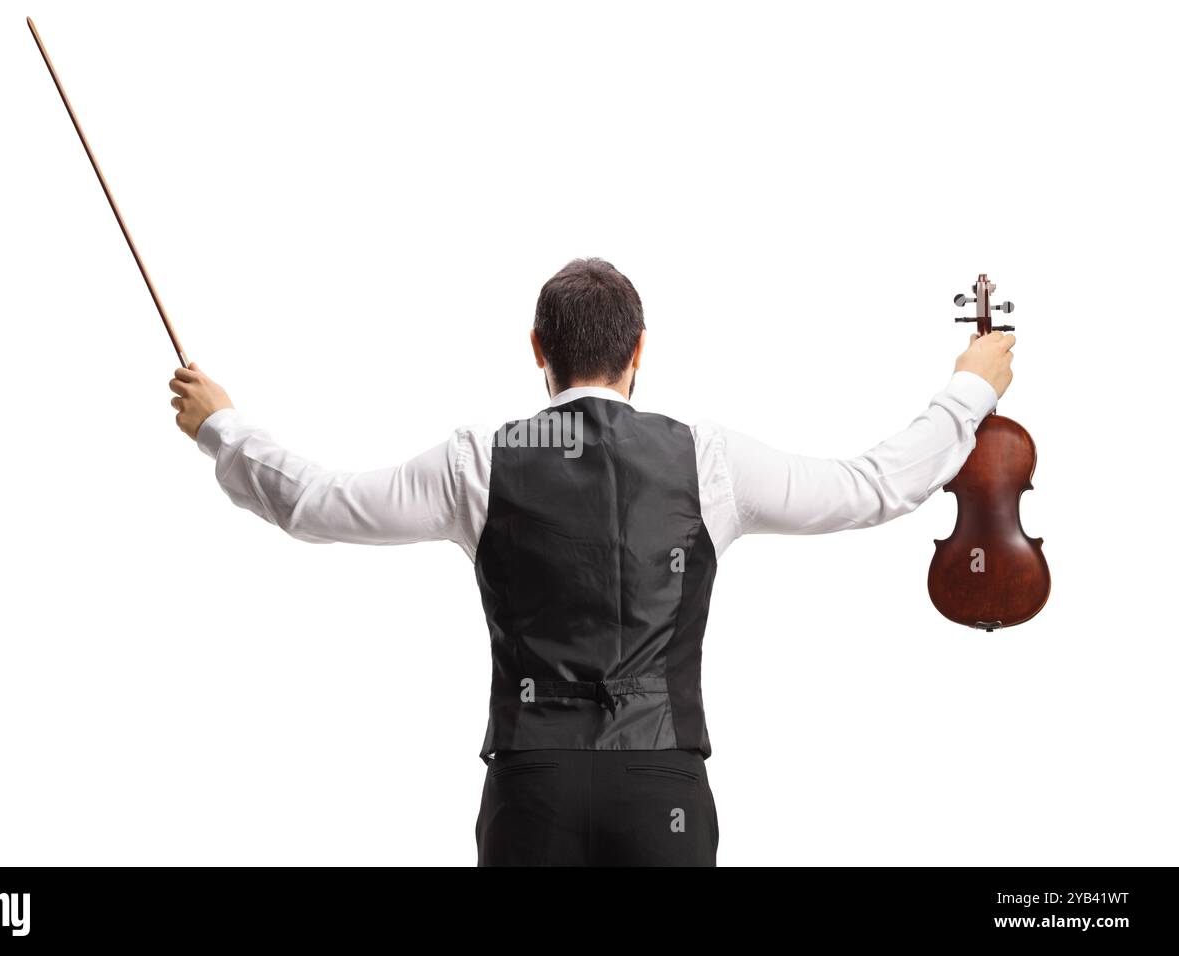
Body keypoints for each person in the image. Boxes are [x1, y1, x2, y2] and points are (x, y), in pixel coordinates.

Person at [168, 258, 1014, 866]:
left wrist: (222, 424)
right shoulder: (706, 460)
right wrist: (970, 386)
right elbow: (871, 486)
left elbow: (317, 504)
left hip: (530, 789)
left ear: (537, 349)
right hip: (663, 795)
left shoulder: (480, 461)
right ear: (640, 348)